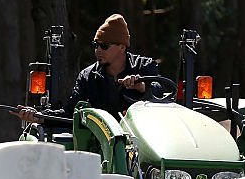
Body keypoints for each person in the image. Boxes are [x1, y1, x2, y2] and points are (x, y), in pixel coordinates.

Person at [14, 13, 160, 123]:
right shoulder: (87, 76)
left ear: (122, 47)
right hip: (101, 148)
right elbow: (70, 112)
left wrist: (142, 87)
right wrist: (39, 117)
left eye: (104, 46)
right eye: (95, 45)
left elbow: (162, 95)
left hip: (141, 145)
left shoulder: (144, 66)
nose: (98, 51)